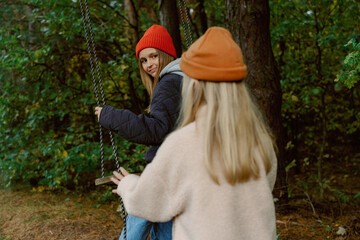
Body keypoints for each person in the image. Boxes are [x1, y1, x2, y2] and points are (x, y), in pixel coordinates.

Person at [110, 27, 278, 240]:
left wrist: (128, 184)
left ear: (195, 84)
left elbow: (147, 202)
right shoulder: (261, 142)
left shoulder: (185, 142)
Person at [95, 25, 183, 240]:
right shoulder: (185, 79)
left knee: (139, 215)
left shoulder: (169, 83)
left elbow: (156, 130)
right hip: (177, 171)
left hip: (167, 173)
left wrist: (110, 116)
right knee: (165, 231)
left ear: (167, 54)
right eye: (143, 60)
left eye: (154, 56)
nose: (149, 64)